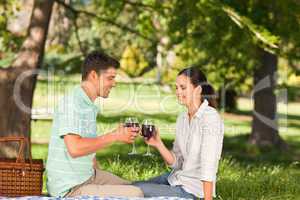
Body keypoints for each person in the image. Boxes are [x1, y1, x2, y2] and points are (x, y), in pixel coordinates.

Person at [46, 51, 143, 198]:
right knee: (135, 194)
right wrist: (115, 135)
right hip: (70, 188)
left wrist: (98, 176)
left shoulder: (87, 104)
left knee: (130, 187)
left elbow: (88, 152)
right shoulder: (73, 103)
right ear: (93, 75)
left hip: (87, 177)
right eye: (110, 78)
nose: (114, 83)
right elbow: (75, 148)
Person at [133, 67, 224, 200]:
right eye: (176, 88)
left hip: (191, 190)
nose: (178, 92)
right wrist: (158, 143)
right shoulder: (182, 117)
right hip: (175, 179)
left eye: (183, 87)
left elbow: (208, 165)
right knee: (132, 187)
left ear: (198, 89)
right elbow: (177, 163)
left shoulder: (210, 118)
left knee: (135, 192)